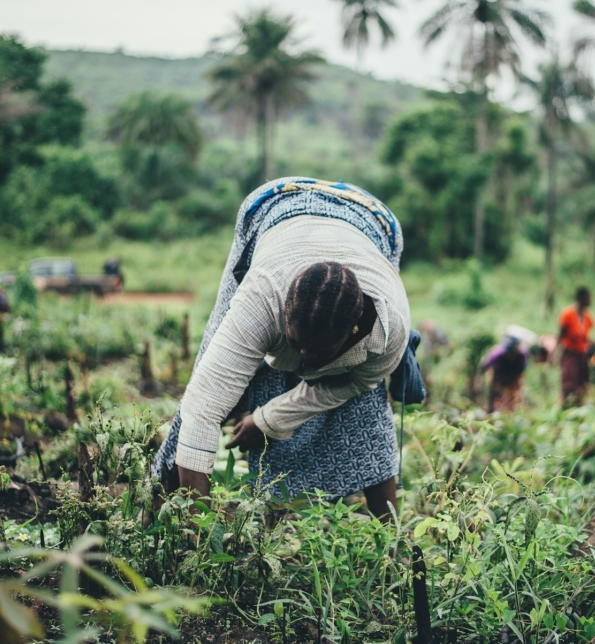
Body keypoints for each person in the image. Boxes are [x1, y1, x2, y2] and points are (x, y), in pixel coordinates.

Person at [152, 177, 411, 521]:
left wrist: (270, 419)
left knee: (365, 408)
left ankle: (390, 542)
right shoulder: (262, 297)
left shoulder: (388, 330)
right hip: (275, 207)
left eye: (316, 354)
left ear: (354, 332)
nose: (303, 361)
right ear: (282, 314)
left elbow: (351, 385)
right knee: (209, 373)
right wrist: (199, 527)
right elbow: (204, 406)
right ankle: (160, 504)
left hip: (374, 221)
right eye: (295, 345)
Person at [481, 327, 534, 412]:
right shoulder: (497, 354)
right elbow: (484, 365)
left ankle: (512, 411)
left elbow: (521, 371)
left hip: (513, 375)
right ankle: (491, 409)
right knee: (494, 393)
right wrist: (478, 383)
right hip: (498, 375)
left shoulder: (522, 354)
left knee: (513, 395)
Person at [557, 287, 594, 406]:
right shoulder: (567, 314)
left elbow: (585, 337)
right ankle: (563, 406)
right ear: (581, 298)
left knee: (582, 383)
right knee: (568, 382)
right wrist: (556, 351)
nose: (590, 300)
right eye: (588, 297)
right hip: (569, 352)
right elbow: (561, 335)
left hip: (582, 354)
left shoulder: (588, 317)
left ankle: (579, 406)